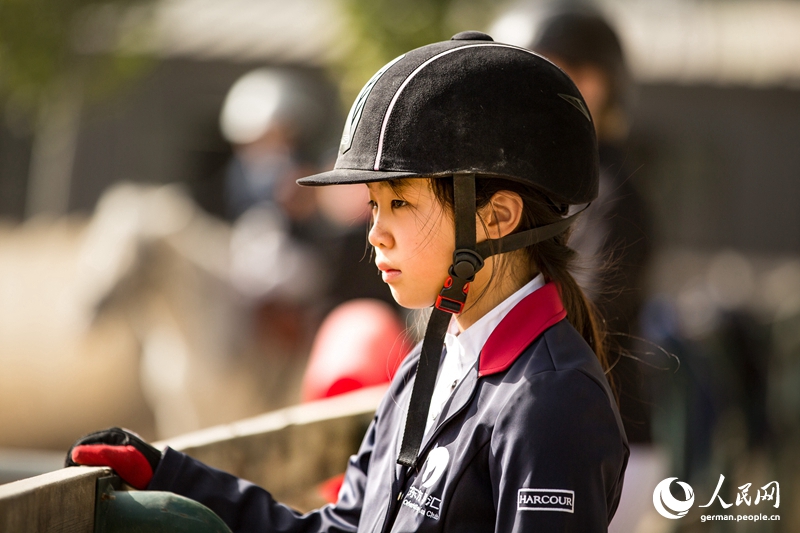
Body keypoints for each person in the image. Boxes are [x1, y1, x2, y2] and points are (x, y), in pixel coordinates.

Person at [66, 31, 628, 532]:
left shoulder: (553, 403)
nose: (375, 235)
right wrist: (176, 478)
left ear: (497, 218)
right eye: (373, 205)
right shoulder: (423, 371)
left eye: (401, 201)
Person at [530, 6, 653, 443]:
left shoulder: (610, 193)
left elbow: (589, 314)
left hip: (601, 433)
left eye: (553, 73)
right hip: (571, 421)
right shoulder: (561, 182)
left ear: (594, 84)